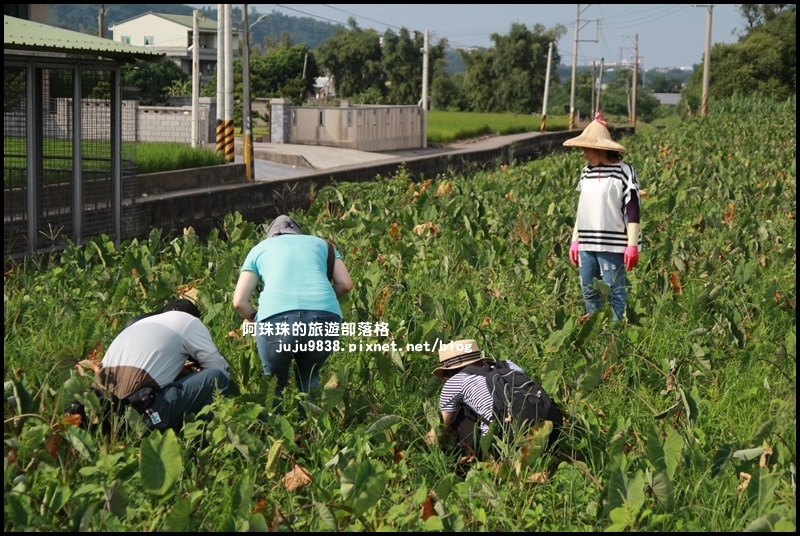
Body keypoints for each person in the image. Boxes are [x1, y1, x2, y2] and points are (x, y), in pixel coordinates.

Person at [232, 215, 353, 414]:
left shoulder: (260, 248)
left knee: (273, 382)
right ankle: (312, 433)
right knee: (310, 377)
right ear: (298, 233)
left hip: (275, 319)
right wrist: (323, 304)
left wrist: (255, 319)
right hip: (324, 316)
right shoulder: (323, 244)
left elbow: (239, 301)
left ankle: (274, 435)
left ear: (272, 236)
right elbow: (345, 284)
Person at [97, 298, 232, 431]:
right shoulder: (188, 321)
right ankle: (202, 437)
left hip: (100, 415)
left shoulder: (140, 324)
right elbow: (220, 368)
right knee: (215, 379)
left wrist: (182, 373)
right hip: (139, 417)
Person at [425, 339, 562, 461]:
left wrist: (421, 449)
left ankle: (470, 462)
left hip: (505, 446)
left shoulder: (454, 382)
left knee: (460, 414)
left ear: (449, 372)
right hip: (550, 432)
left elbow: (439, 430)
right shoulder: (507, 365)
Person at [563, 113, 642, 322]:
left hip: (612, 244)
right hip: (586, 244)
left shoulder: (624, 172)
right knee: (589, 291)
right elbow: (583, 208)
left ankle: (618, 335)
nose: (584, 154)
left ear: (601, 148)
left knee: (615, 292)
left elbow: (633, 208)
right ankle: (595, 333)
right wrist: (575, 241)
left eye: (587, 149)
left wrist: (632, 244)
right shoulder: (586, 172)